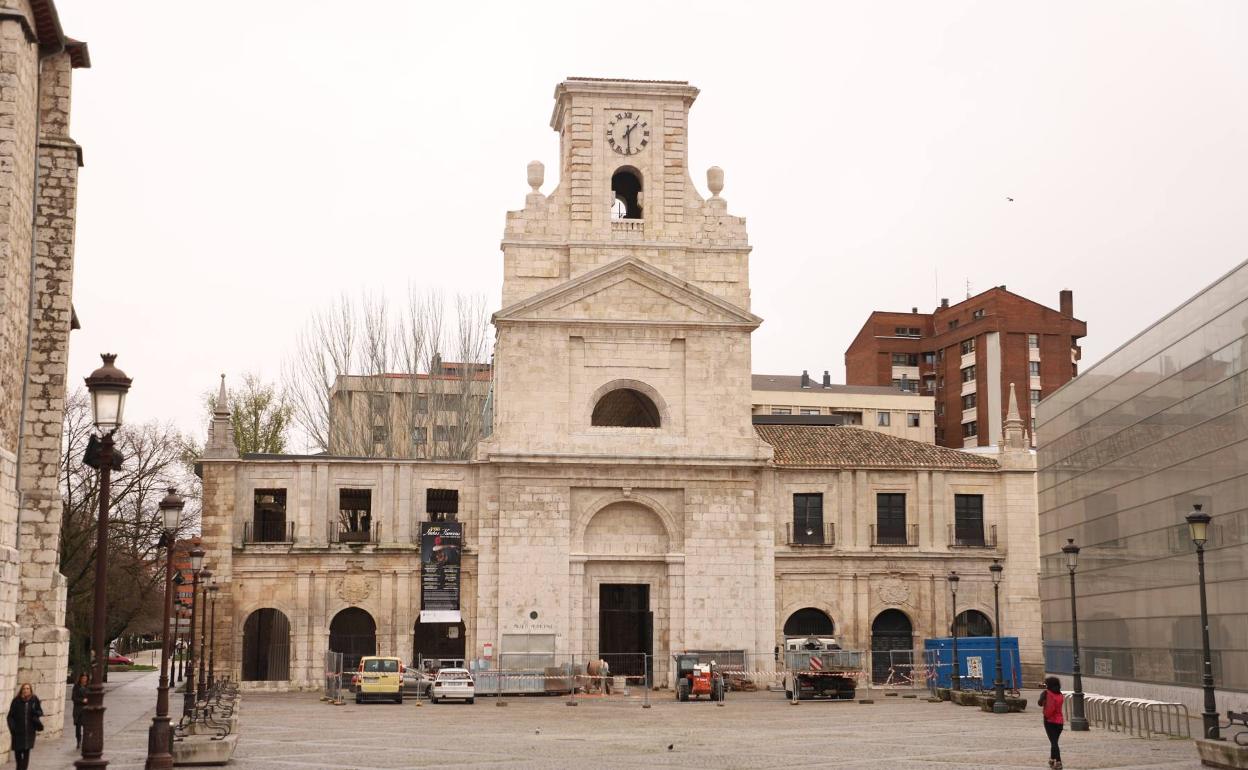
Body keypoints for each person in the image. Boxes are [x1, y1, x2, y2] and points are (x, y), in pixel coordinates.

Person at [6, 683, 44, 770]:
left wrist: (35, 712)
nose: (26, 690)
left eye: (27, 688)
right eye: (24, 688)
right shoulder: (16, 701)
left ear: (30, 690)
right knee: (18, 756)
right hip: (18, 732)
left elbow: (40, 712)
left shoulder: (34, 699)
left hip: (29, 732)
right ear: (21, 690)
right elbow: (10, 716)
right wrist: (12, 728)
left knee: (26, 754)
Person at [1037, 676, 1065, 769]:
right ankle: (1052, 759)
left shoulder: (1046, 693)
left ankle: (1059, 761)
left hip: (1049, 721)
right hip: (1060, 722)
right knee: (1054, 741)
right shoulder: (1060, 694)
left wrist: (1043, 699)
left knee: (1054, 743)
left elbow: (1039, 703)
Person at [71, 672, 89, 748]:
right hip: (78, 710)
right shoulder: (76, 687)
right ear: (80, 679)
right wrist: (82, 700)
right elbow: (73, 698)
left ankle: (85, 741)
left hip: (86, 710)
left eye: (85, 678)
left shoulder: (89, 687)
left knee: (86, 727)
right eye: (83, 678)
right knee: (78, 727)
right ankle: (78, 741)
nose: (84, 680)